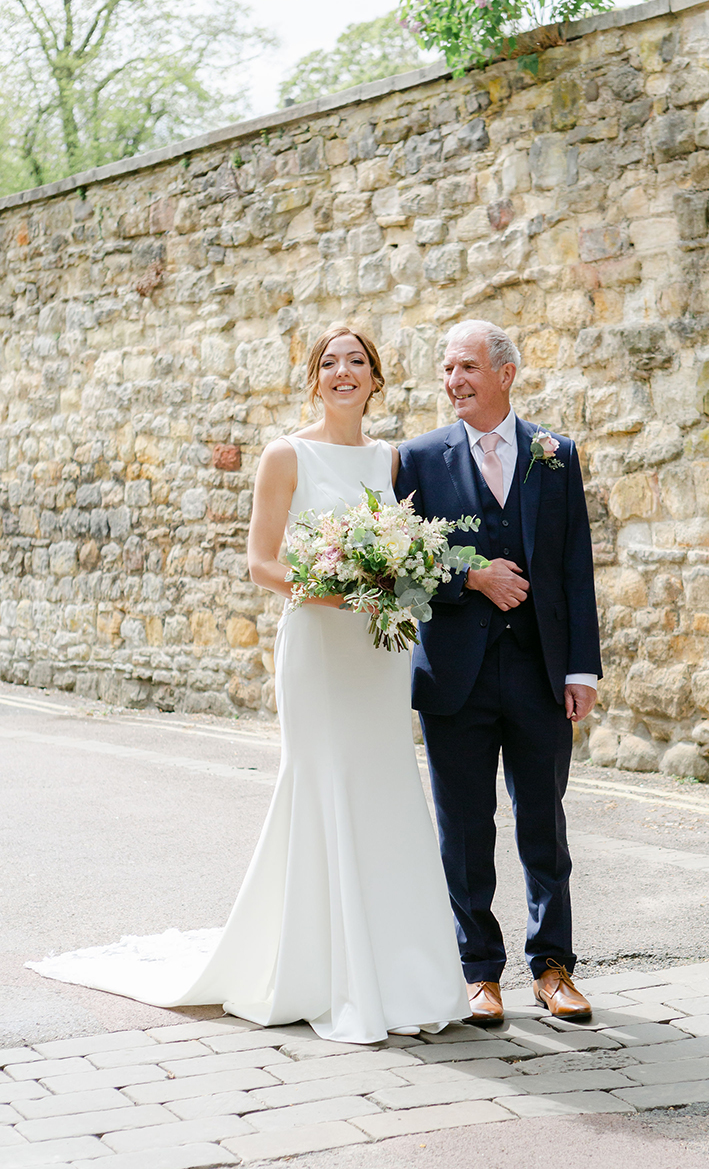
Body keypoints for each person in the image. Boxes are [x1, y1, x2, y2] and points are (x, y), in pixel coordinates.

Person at [28, 324, 468, 1044]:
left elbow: (411, 553)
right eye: (330, 363)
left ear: (378, 380)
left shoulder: (392, 460)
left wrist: (397, 577)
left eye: (357, 362)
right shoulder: (284, 454)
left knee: (385, 784)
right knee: (323, 781)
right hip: (320, 645)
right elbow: (262, 563)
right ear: (313, 379)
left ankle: (403, 975)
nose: (344, 372)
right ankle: (320, 971)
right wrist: (340, 590)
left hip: (379, 651)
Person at [395, 319, 602, 1026]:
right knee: (464, 829)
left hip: (542, 672)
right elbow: (400, 569)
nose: (453, 381)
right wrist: (472, 578)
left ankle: (553, 968)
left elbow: (576, 571)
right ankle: (478, 972)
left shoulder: (555, 455)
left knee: (544, 823)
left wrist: (583, 671)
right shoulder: (416, 460)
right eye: (446, 369)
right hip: (456, 676)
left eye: (466, 368)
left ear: (506, 373)